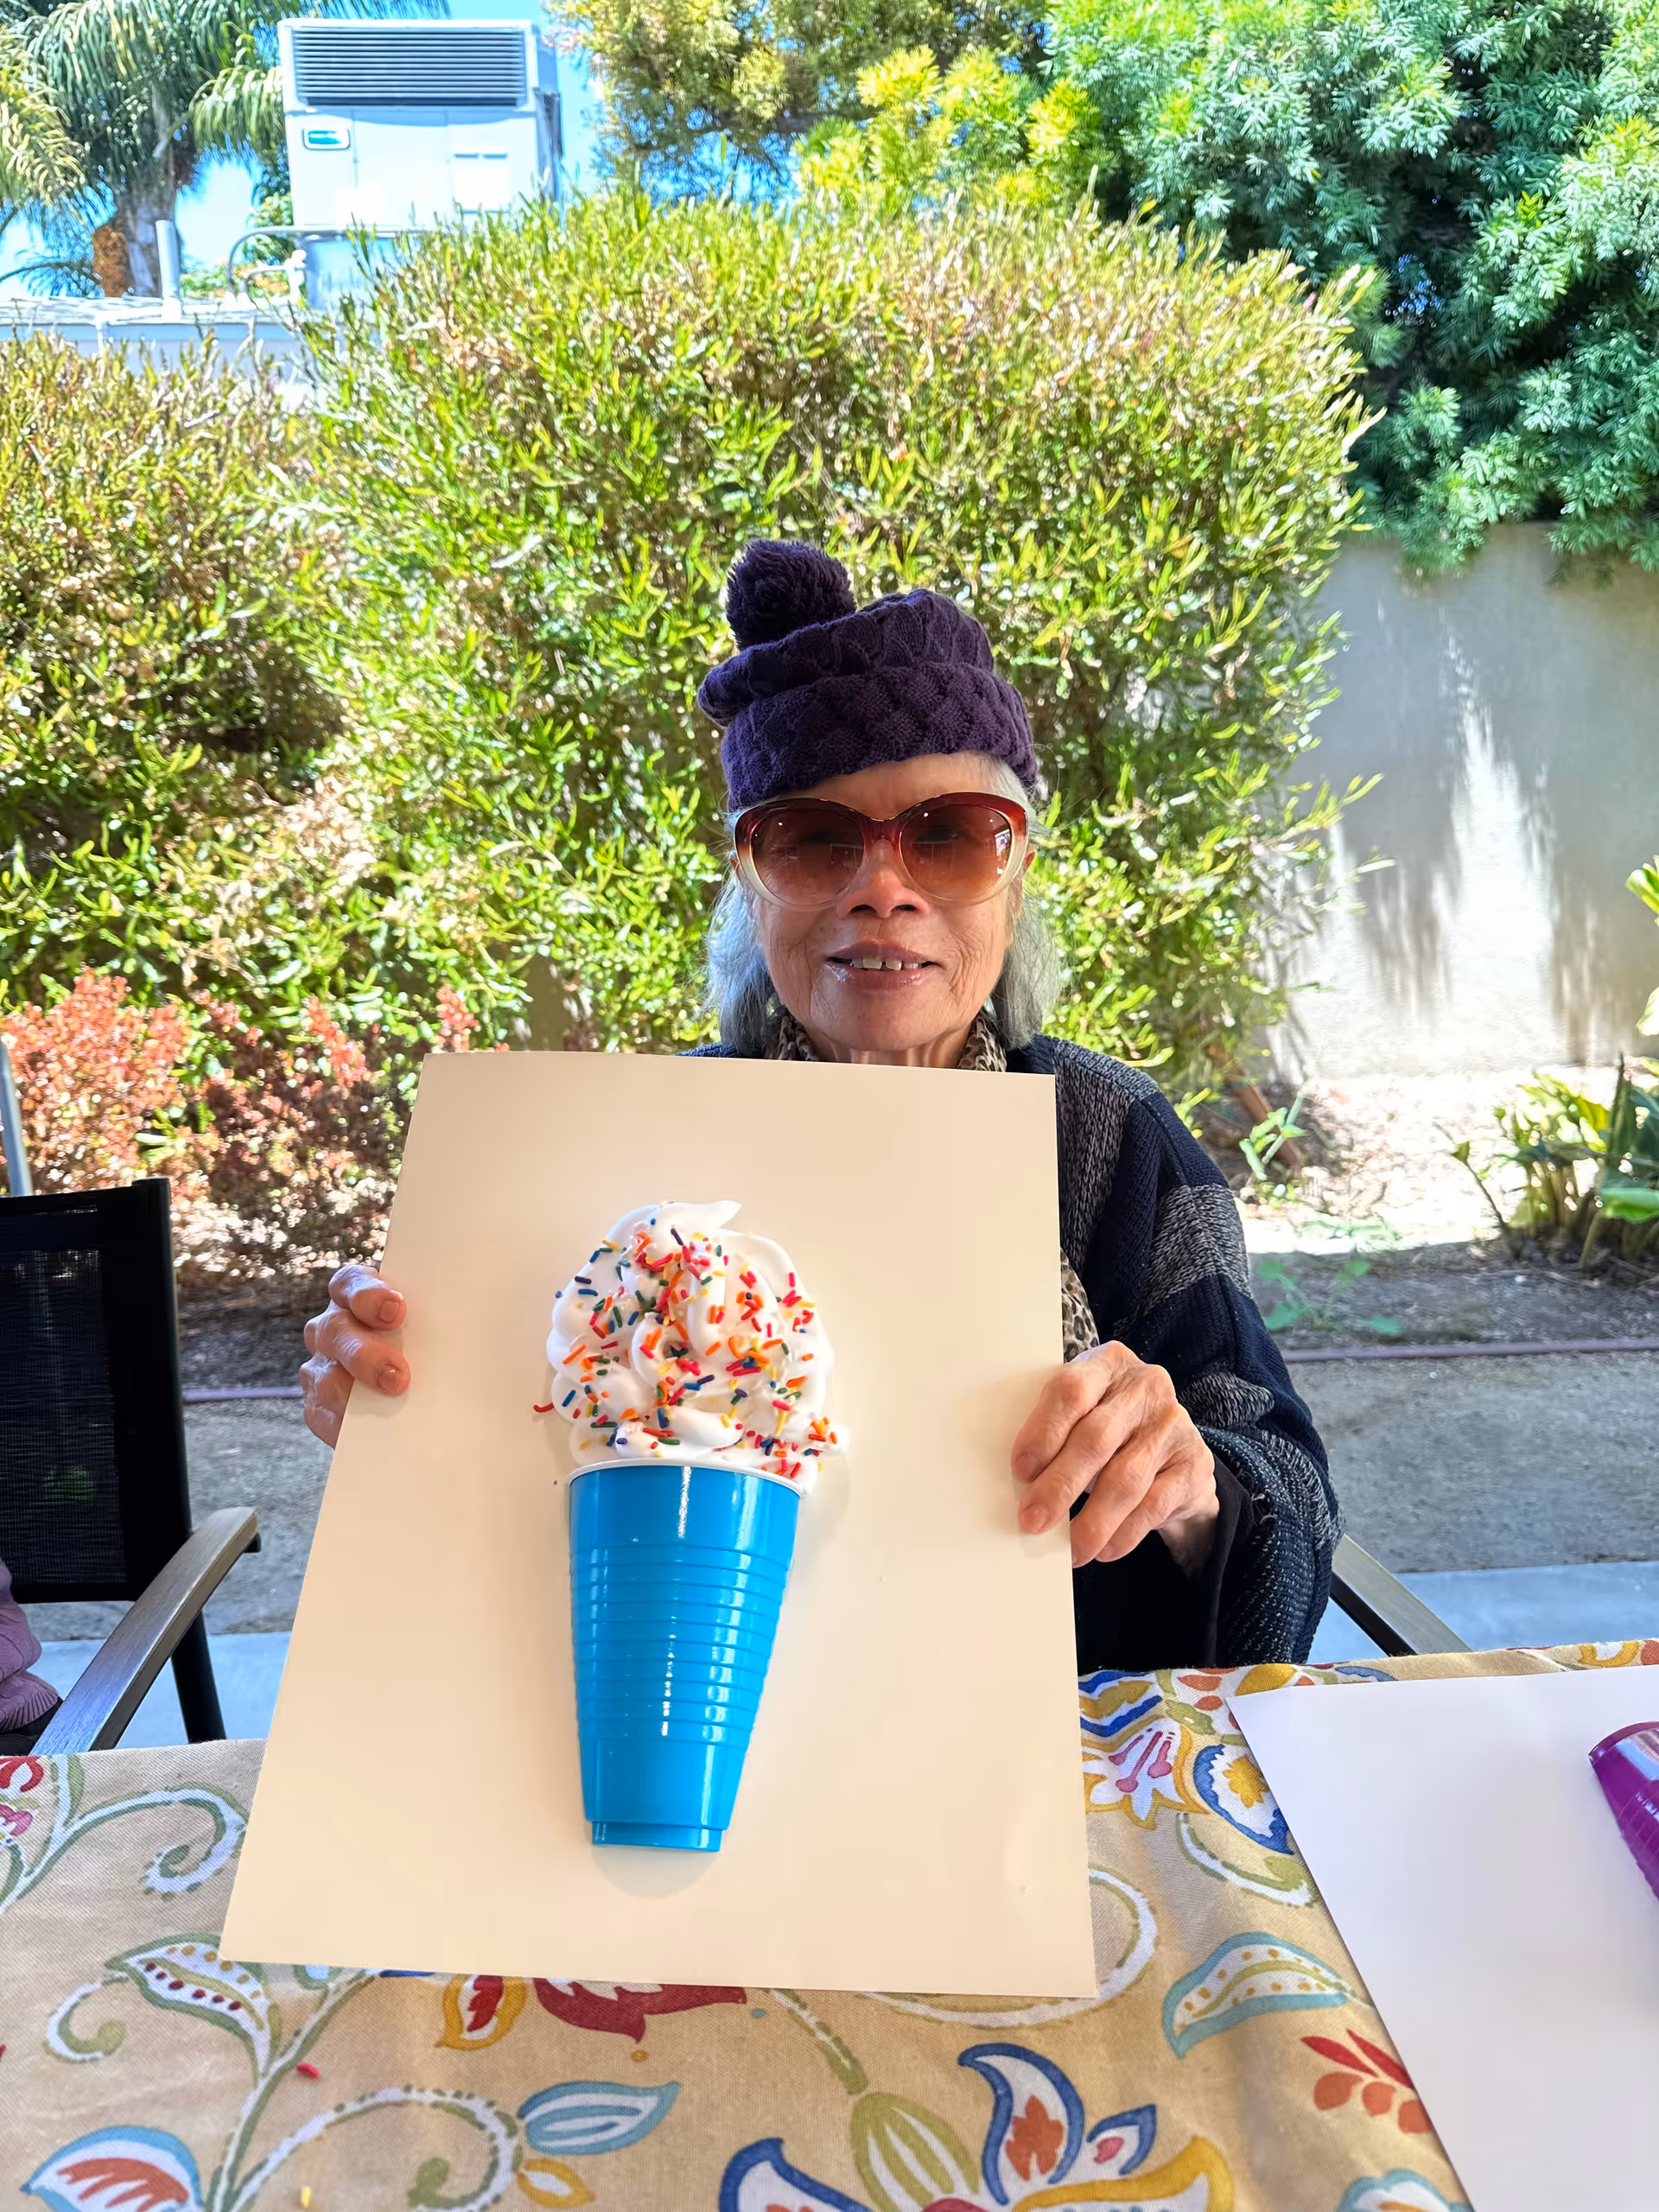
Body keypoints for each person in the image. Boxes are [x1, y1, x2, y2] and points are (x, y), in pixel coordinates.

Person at [302, 540, 1340, 1669]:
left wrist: (1195, 1485)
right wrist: (405, 1402)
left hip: (1058, 1754)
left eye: (947, 834)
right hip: (701, 1735)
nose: (882, 887)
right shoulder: (635, 1147)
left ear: (1015, 873)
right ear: (750, 887)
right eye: (811, 838)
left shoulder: (1113, 1137)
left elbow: (1291, 1536)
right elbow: (515, 1486)